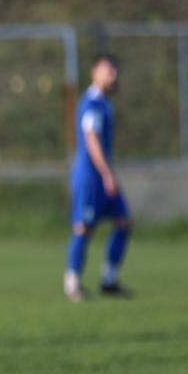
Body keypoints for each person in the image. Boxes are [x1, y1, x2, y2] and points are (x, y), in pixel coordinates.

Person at [64, 53, 133, 302]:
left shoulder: (105, 103)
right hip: (91, 177)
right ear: (94, 73)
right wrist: (107, 174)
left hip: (103, 175)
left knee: (124, 222)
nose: (113, 76)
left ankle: (109, 280)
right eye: (108, 71)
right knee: (84, 227)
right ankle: (73, 283)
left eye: (115, 71)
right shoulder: (91, 103)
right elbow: (92, 140)